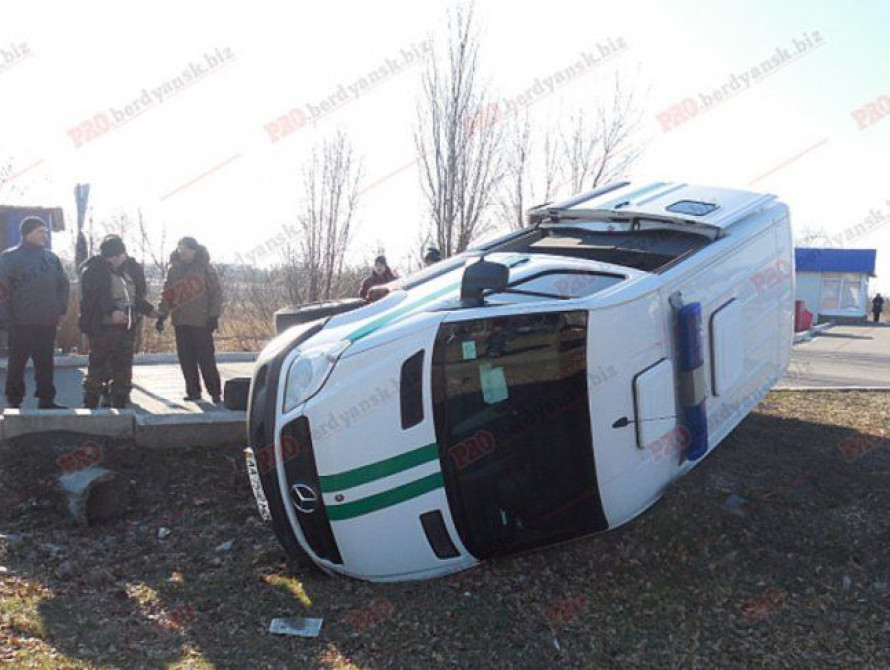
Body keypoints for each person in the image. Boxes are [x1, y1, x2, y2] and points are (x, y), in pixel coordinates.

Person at [0, 216, 70, 409]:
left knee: (45, 363)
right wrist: (5, 319)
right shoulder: (10, 257)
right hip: (20, 322)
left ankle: (47, 399)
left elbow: (63, 285)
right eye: (41, 232)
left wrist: (61, 309)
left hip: (47, 321)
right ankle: (14, 401)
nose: (45, 236)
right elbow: (3, 290)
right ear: (28, 233)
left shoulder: (51, 258)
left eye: (46, 232)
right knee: (17, 364)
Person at [79, 235, 155, 409]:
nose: (121, 259)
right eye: (117, 256)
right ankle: (90, 402)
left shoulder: (128, 270)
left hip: (125, 327)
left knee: (123, 366)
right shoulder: (93, 271)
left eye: (121, 255)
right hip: (102, 327)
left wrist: (149, 310)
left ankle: (120, 400)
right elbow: (98, 296)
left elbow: (133, 297)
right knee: (98, 366)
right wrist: (112, 312)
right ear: (109, 256)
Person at [156, 237, 223, 403]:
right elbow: (167, 295)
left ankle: (215, 392)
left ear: (194, 250)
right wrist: (161, 315)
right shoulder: (173, 270)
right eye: (180, 250)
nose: (182, 253)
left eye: (186, 250)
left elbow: (216, 294)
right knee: (186, 359)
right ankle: (193, 392)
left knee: (206, 359)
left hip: (201, 322)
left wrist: (214, 316)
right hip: (180, 322)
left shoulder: (206, 269)